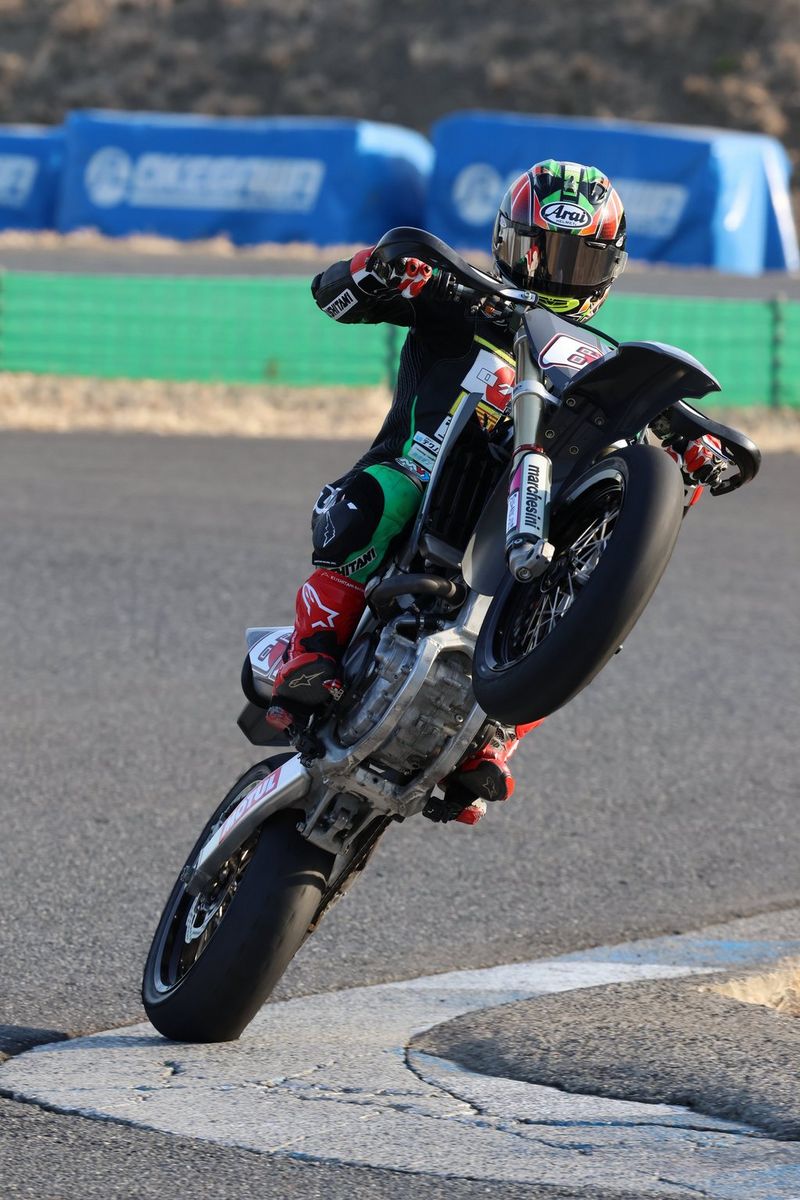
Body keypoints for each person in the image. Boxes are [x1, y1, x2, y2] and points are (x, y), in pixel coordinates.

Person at [267, 159, 726, 820]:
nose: (560, 273)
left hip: (529, 522)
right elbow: (334, 294)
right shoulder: (459, 299)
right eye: (546, 253)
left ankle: (495, 736)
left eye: (581, 258)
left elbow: (703, 448)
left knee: (596, 593)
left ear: (610, 269)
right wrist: (379, 267)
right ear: (511, 246)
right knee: (380, 499)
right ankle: (308, 653)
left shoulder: (604, 363)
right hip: (416, 482)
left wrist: (694, 444)